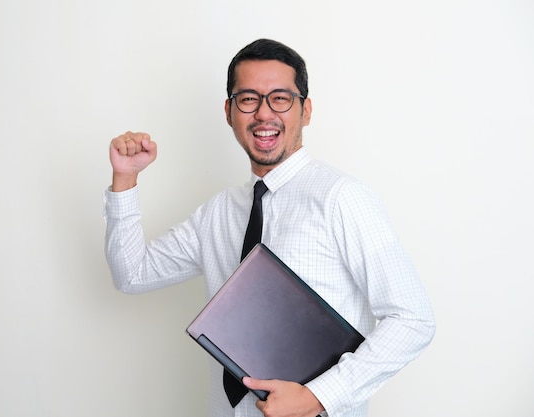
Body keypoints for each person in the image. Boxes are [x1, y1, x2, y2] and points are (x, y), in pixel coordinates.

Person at [103, 38, 435, 417]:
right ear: (228, 111)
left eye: (280, 98)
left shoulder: (342, 198)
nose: (264, 114)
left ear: (305, 110)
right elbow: (132, 274)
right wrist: (124, 179)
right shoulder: (217, 213)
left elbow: (413, 318)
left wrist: (318, 396)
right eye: (248, 99)